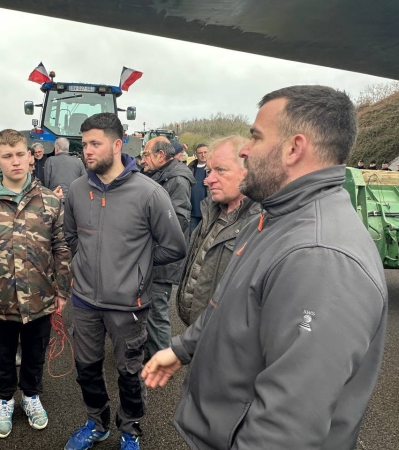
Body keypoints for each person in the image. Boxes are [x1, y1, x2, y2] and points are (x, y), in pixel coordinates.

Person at [143, 85, 388, 450]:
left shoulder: (319, 255)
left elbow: (287, 425)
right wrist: (182, 348)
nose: (245, 149)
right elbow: (230, 305)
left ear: (294, 148)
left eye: (256, 137)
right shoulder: (277, 217)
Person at [63, 113, 186, 450]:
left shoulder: (150, 193)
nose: (87, 150)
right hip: (85, 302)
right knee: (86, 369)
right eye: (84, 143)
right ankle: (97, 423)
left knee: (130, 373)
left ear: (117, 145)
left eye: (95, 143)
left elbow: (175, 246)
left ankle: (130, 430)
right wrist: (84, 266)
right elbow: (71, 237)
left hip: (128, 306)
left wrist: (137, 266)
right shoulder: (76, 189)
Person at [0, 129, 72, 439]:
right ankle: (5, 400)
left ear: (31, 157)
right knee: (2, 355)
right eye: (7, 156)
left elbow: (61, 247)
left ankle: (32, 396)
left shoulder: (50, 201)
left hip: (40, 299)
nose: (15, 161)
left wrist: (62, 290)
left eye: (20, 154)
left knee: (36, 352)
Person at [177, 135, 260, 326]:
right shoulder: (211, 211)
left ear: (248, 171)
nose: (209, 180)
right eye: (208, 171)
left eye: (220, 170)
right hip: (197, 332)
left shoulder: (260, 225)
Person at [141, 137, 195, 361]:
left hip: (164, 258)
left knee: (157, 312)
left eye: (146, 154)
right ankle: (149, 352)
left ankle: (161, 360)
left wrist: (147, 235)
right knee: (150, 309)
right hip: (156, 254)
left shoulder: (177, 180)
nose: (143, 159)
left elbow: (178, 219)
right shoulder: (160, 174)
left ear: (160, 156)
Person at [44, 137, 87, 201]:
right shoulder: (78, 162)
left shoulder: (50, 160)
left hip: (56, 198)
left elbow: (46, 181)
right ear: (68, 148)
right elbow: (85, 181)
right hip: (74, 198)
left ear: (56, 148)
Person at [187, 143, 209, 233]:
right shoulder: (190, 169)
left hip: (208, 212)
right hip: (193, 211)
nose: (203, 155)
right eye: (200, 153)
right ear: (196, 154)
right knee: (192, 238)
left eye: (205, 152)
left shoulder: (214, 168)